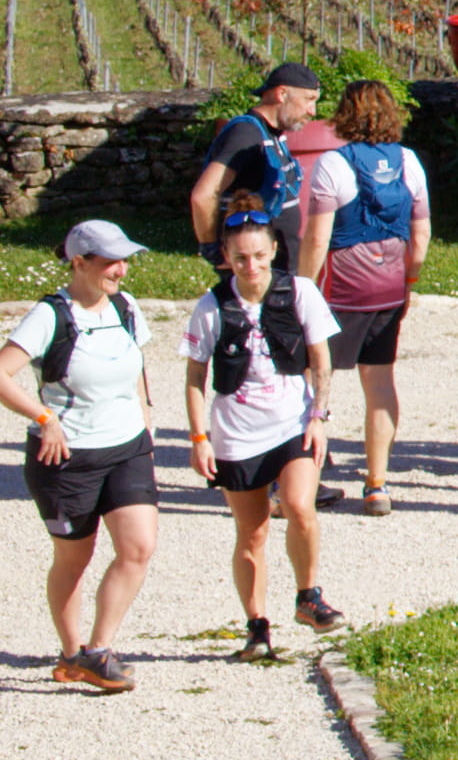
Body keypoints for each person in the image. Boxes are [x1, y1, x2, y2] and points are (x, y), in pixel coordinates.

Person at [12, 219, 161, 694]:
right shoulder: (50, 315)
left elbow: (135, 364)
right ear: (79, 263)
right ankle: (72, 652)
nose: (122, 270)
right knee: (74, 559)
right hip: (67, 458)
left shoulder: (126, 306)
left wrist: (144, 414)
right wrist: (43, 418)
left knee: (138, 547)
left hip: (126, 447)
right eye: (110, 261)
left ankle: (99, 650)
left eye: (124, 260)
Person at [185, 216, 339, 662]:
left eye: (257, 255)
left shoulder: (299, 292)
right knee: (251, 534)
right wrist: (200, 438)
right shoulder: (211, 308)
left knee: (299, 506)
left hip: (293, 422)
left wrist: (319, 416)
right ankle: (256, 628)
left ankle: (308, 595)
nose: (250, 266)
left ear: (273, 250)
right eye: (239, 258)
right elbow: (195, 377)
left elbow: (320, 359)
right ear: (226, 260)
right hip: (236, 431)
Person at [299, 72, 427, 514]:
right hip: (388, 288)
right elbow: (422, 231)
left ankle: (307, 476)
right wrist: (408, 281)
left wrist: (301, 286)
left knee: (315, 377)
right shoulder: (410, 162)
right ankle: (377, 483)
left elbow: (318, 238)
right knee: (380, 382)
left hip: (342, 290)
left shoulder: (333, 164)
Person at [188, 59, 323, 264]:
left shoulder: (272, 134)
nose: (313, 111)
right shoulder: (247, 134)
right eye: (309, 99)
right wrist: (213, 250)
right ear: (282, 94)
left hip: (276, 268)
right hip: (256, 272)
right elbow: (204, 195)